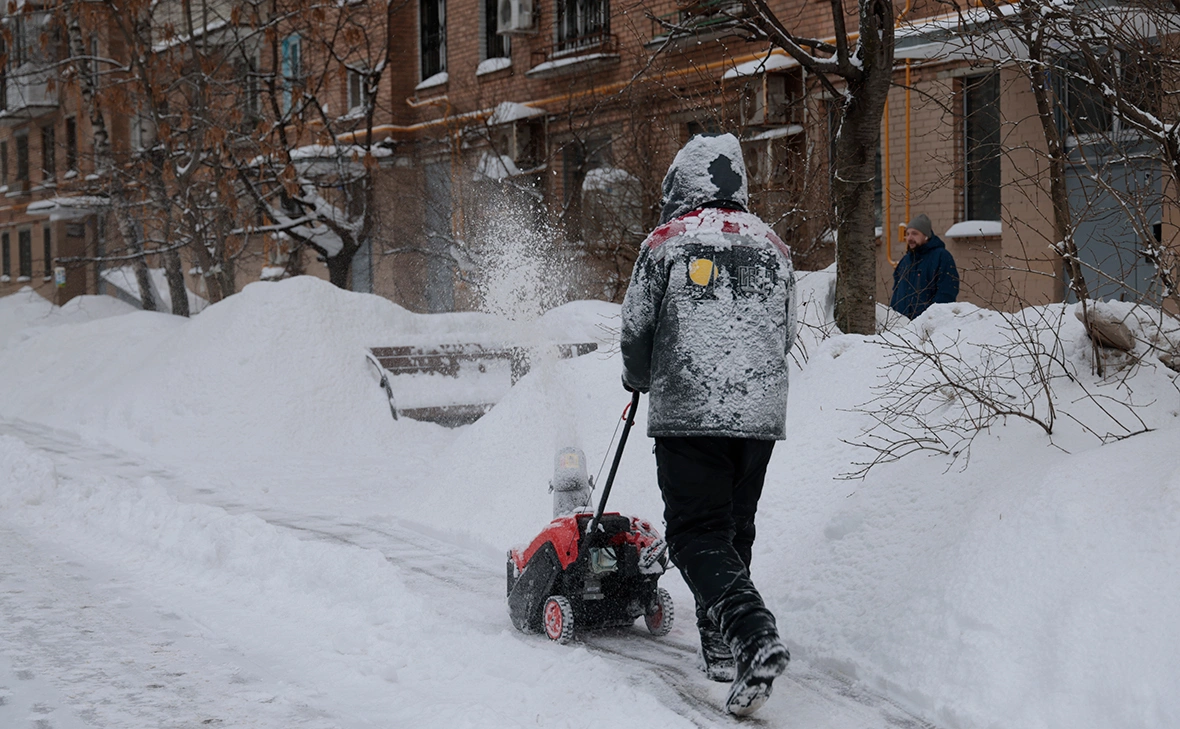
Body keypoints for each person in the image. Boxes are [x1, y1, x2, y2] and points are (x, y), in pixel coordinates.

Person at [620, 133, 796, 717]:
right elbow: (787, 330)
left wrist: (638, 378)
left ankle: (751, 635)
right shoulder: (773, 245)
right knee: (733, 530)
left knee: (696, 534)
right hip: (759, 415)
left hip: (691, 412)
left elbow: (636, 328)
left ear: (682, 184)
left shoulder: (666, 242)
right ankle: (720, 648)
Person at [890, 213, 960, 319]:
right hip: (902, 327)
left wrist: (930, 319)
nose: (909, 238)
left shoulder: (941, 257)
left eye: (914, 234)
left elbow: (947, 293)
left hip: (929, 327)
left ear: (926, 235)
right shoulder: (905, 261)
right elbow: (896, 295)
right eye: (907, 234)